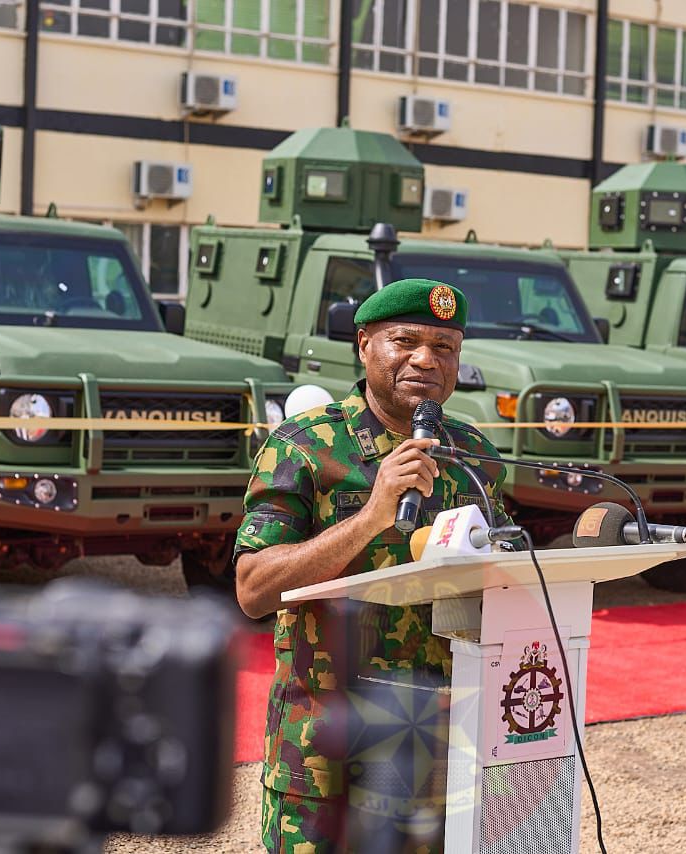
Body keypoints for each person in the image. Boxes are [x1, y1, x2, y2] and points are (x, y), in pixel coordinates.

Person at [234, 278, 511, 853]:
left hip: (438, 736)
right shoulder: (305, 445)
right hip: (328, 743)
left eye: (445, 347)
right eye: (405, 341)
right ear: (364, 345)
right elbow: (253, 588)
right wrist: (371, 516)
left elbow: (500, 571)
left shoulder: (473, 454)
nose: (426, 360)